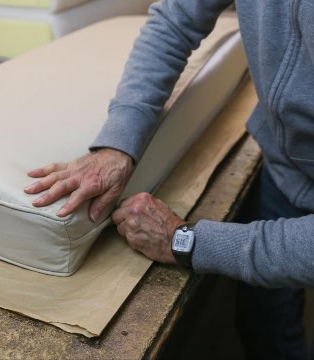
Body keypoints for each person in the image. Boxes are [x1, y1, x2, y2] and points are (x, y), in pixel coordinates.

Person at [24, 1, 314, 359]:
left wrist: (187, 242)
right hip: (284, 166)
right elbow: (175, 22)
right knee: (265, 318)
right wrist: (118, 141)